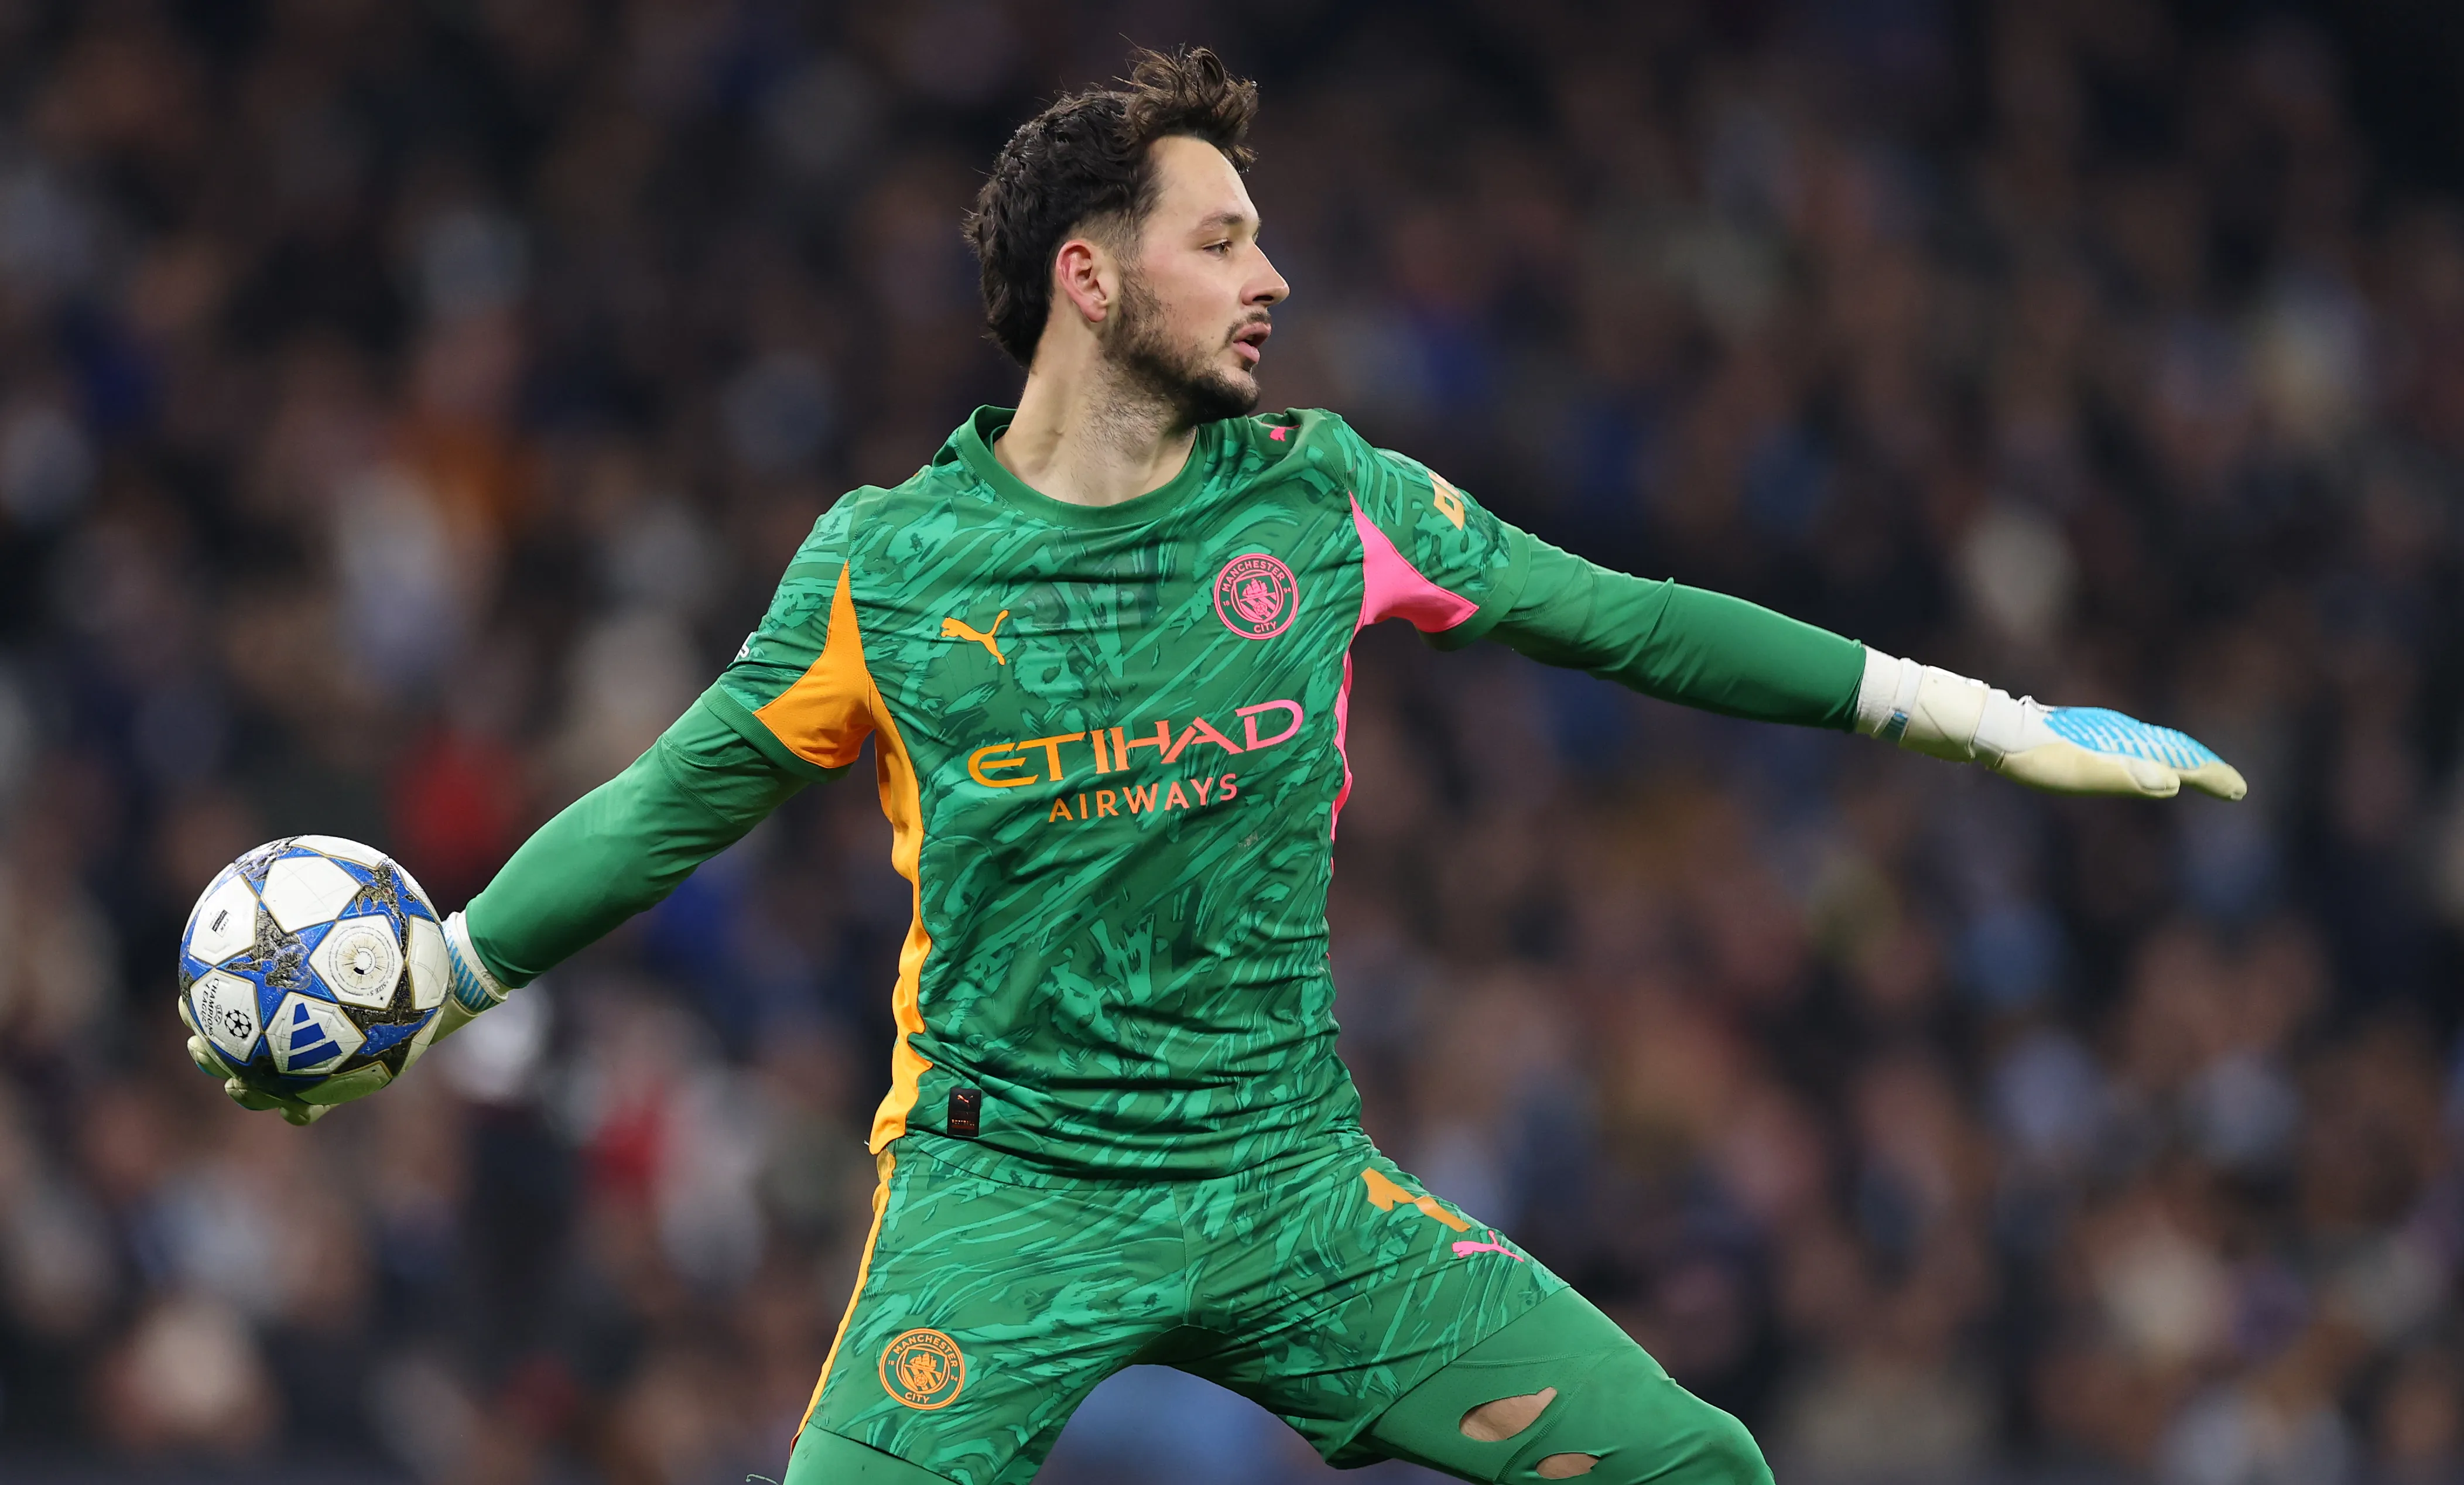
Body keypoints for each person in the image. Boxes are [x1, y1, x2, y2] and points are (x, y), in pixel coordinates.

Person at [189, 46, 2243, 1485]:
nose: (1273, 280)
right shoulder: (887, 572)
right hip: (1002, 1196)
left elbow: (1626, 617)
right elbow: (670, 801)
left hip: (1287, 1193)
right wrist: (450, 978)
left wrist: (1980, 714)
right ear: (1090, 278)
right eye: (1223, 239)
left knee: (1694, 1466)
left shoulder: (1320, 502)